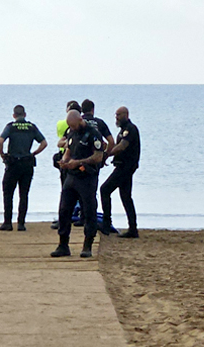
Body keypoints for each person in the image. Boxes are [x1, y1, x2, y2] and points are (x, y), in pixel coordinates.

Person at [52, 110, 104, 258]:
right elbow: (68, 148)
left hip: (86, 177)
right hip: (71, 177)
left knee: (89, 211)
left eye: (74, 126)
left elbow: (98, 156)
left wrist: (80, 162)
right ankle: (63, 245)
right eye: (71, 127)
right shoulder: (72, 132)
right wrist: (65, 160)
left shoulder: (93, 134)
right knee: (64, 210)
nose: (73, 129)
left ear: (81, 120)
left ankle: (87, 246)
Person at [0, 105, 47, 231]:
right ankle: (21, 224)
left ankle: (7, 223)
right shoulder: (31, 127)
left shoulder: (11, 127)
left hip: (13, 164)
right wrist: (34, 153)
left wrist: (2, 154)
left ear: (14, 115)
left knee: (8, 193)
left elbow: (0, 142)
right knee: (24, 194)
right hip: (27, 164)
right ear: (25, 115)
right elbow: (44, 143)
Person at [100, 106, 141, 238]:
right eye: (115, 115)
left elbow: (121, 147)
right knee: (126, 196)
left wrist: (106, 155)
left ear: (126, 115)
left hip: (126, 167)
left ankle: (107, 222)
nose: (116, 118)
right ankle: (133, 228)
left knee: (105, 189)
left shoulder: (130, 129)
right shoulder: (123, 130)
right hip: (122, 166)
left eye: (119, 115)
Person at [51, 100, 81, 229]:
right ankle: (81, 216)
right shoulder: (82, 125)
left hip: (66, 158)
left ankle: (64, 218)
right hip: (77, 159)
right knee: (82, 193)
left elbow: (60, 141)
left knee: (65, 191)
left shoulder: (61, 124)